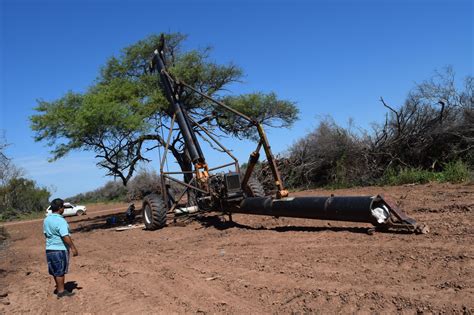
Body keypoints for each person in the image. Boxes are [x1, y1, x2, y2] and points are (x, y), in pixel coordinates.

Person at [43, 198, 79, 298]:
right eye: (63, 206)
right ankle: (61, 291)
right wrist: (73, 248)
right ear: (60, 208)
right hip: (59, 249)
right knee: (60, 271)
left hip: (49, 249)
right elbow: (65, 236)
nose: (63, 208)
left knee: (55, 270)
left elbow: (46, 234)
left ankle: (59, 289)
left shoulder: (46, 219)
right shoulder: (61, 221)